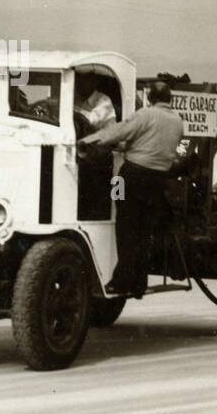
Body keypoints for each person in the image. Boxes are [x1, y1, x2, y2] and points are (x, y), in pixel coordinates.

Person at [77, 79, 184, 297]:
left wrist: (88, 140)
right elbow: (151, 143)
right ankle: (139, 283)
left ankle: (121, 281)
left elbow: (119, 131)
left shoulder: (146, 114)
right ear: (169, 99)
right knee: (144, 233)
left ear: (151, 98)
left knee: (125, 229)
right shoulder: (177, 122)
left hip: (131, 177)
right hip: (158, 181)